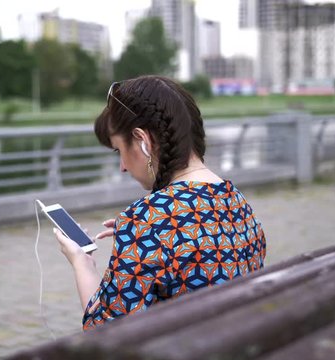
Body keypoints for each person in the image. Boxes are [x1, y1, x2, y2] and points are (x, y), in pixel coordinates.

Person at [54, 75, 266, 331]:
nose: (122, 167)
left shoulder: (147, 220)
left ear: (143, 141)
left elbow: (106, 333)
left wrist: (82, 263)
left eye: (119, 150)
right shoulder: (236, 201)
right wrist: (139, 247)